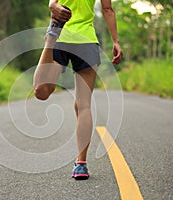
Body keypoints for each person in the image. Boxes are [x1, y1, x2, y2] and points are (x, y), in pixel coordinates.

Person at [33, 0, 123, 180]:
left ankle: (50, 39)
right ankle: (81, 164)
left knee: (41, 92)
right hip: (86, 40)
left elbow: (53, 4)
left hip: (61, 36)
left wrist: (54, 8)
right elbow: (107, 9)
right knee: (84, 106)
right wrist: (116, 41)